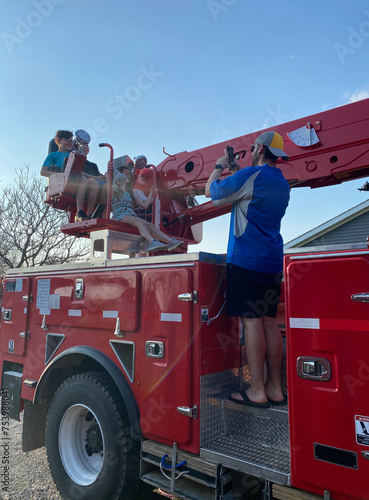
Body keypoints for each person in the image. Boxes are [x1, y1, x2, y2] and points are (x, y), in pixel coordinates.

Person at [205, 131, 290, 408]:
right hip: (272, 261)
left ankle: (256, 390)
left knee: (251, 322)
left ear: (262, 149)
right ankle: (275, 389)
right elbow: (251, 191)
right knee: (269, 321)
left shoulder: (251, 176)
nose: (251, 150)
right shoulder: (282, 183)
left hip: (246, 259)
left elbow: (212, 193)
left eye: (254, 147)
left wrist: (219, 165)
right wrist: (239, 171)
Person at [112, 165, 184, 253]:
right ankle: (151, 242)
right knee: (139, 222)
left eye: (129, 174)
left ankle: (171, 242)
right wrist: (111, 169)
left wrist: (151, 193)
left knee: (150, 225)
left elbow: (145, 205)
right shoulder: (114, 189)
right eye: (125, 173)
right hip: (120, 214)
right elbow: (111, 174)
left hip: (130, 215)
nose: (128, 176)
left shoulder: (131, 193)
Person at [41, 130, 99, 221]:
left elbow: (81, 172)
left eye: (71, 140)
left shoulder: (73, 155)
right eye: (66, 140)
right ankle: (79, 213)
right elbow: (43, 172)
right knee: (83, 180)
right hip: (60, 181)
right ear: (58, 141)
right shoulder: (53, 155)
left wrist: (97, 177)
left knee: (94, 183)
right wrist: (59, 174)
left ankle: (89, 214)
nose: (69, 142)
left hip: (73, 179)